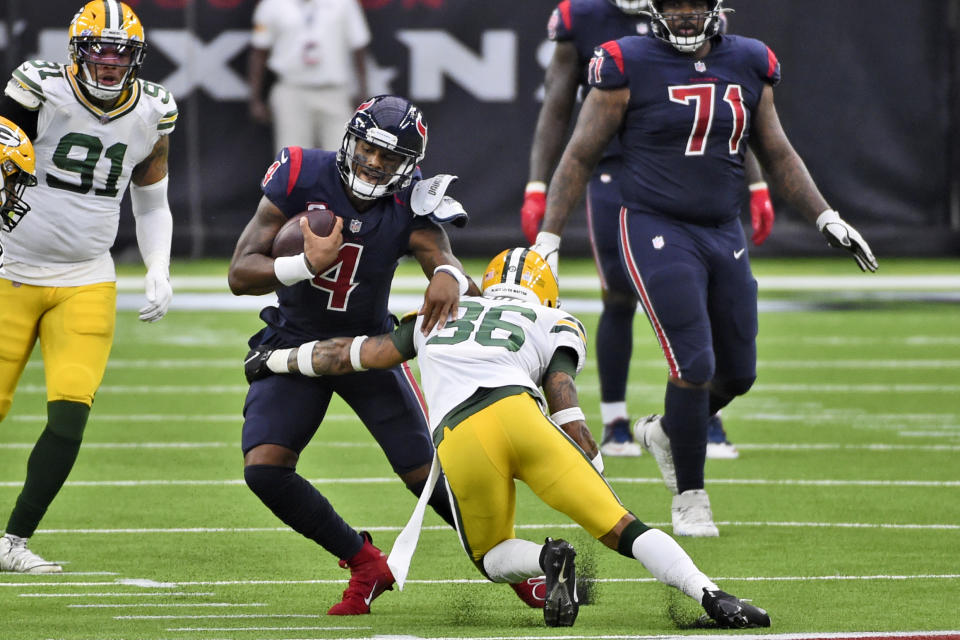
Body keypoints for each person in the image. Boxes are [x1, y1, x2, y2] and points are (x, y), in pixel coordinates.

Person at [245, 247, 772, 629]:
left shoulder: (439, 313)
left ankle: (547, 561)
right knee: (623, 528)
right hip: (525, 418)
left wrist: (274, 358)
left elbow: (354, 355)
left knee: (493, 555)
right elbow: (561, 390)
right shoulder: (550, 317)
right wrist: (584, 451)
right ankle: (711, 594)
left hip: (463, 438)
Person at [530, 0, 877, 537]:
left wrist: (826, 216)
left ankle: (670, 431)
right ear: (657, 9)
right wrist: (549, 236)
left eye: (696, 3)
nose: (687, 14)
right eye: (675, 4)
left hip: (722, 228)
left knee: (738, 372)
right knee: (693, 361)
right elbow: (578, 155)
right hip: (653, 224)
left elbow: (777, 150)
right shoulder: (625, 61)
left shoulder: (749, 60)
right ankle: (690, 497)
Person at [228, 94, 543, 614]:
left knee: (428, 476)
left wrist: (446, 275)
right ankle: (364, 560)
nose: (375, 164)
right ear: (350, 140)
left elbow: (444, 258)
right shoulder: (302, 171)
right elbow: (241, 273)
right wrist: (304, 264)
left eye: (390, 158)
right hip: (293, 340)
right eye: (369, 150)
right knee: (264, 468)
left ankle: (515, 571)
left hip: (367, 349)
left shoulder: (412, 202)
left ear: (409, 167)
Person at [521, 0, 771, 459]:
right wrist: (539, 185)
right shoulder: (584, 16)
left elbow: (726, 112)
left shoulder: (698, 15)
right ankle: (616, 418)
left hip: (687, 170)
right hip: (614, 170)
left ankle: (701, 417)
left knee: (704, 291)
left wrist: (755, 182)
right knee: (617, 290)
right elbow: (557, 107)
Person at [0, 0, 176, 573]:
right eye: (100, 49)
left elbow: (151, 201)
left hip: (87, 275)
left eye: (122, 51)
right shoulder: (38, 88)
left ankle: (13, 542)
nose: (110, 60)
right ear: (77, 50)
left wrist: (158, 267)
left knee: (70, 415)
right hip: (11, 268)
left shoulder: (154, 109)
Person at [248, 0, 371, 152]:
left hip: (334, 91)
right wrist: (255, 98)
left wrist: (363, 92)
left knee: (344, 157)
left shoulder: (344, 3)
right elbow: (259, 52)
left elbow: (359, 49)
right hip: (292, 90)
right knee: (292, 158)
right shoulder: (272, 4)